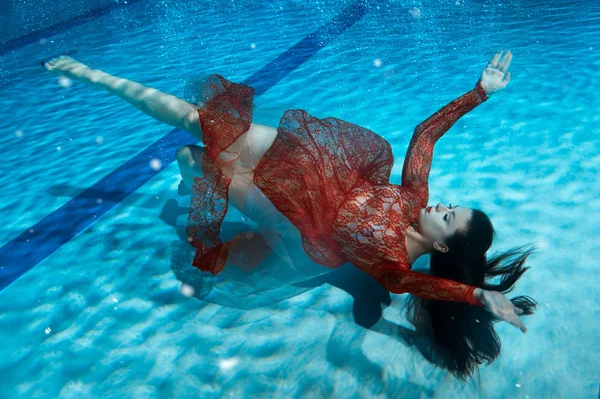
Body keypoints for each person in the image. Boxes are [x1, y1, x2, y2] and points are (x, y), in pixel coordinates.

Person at [43, 49, 536, 378]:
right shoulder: (412, 197)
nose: (440, 205)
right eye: (451, 204)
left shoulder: (393, 268)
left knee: (194, 161)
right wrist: (479, 92)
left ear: (443, 245)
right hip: (308, 163)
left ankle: (195, 178)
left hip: (290, 216)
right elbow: (425, 135)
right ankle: (87, 73)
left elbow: (429, 289)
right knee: (201, 122)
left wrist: (476, 296)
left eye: (448, 217)